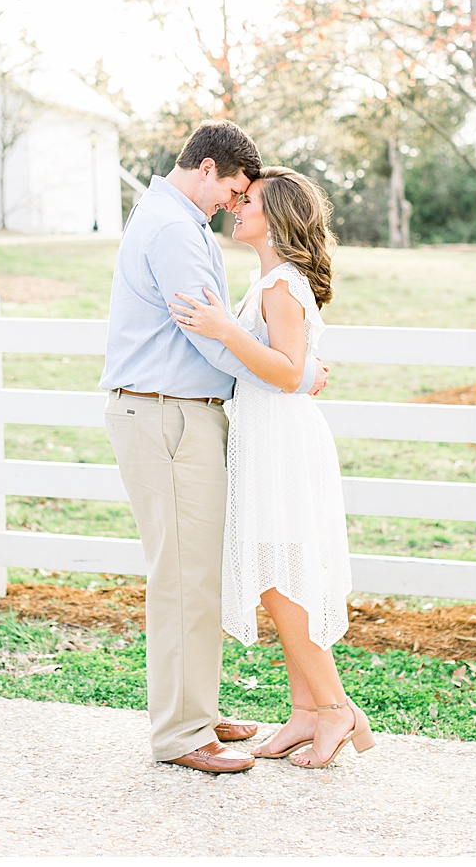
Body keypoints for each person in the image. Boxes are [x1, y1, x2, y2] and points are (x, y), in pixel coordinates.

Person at [98, 118, 327, 775]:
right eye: (233, 189)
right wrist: (297, 375)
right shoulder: (172, 229)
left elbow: (218, 334)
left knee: (194, 571)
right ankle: (181, 732)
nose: (234, 203)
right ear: (207, 170)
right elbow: (210, 339)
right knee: (183, 578)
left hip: (176, 414)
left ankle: (192, 709)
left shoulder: (178, 222)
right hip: (166, 414)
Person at [170, 167, 373, 769]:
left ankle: (334, 707)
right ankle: (306, 713)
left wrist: (227, 331)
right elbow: (293, 370)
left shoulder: (282, 284)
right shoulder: (268, 282)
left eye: (248, 200)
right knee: (275, 572)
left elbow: (287, 373)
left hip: (282, 441)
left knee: (281, 576)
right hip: (264, 436)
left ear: (277, 216)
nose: (236, 205)